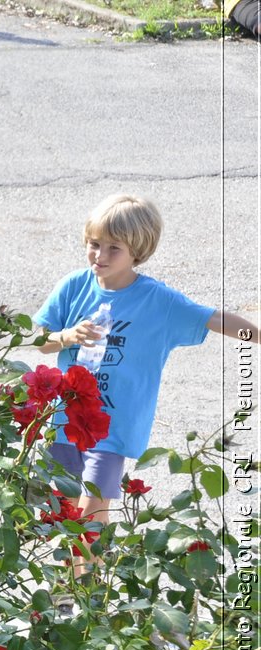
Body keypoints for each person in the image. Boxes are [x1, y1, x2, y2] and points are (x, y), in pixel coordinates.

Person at [34, 194, 258, 524]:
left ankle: (87, 578)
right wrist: (66, 337)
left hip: (112, 428)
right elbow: (39, 340)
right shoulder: (73, 286)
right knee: (66, 516)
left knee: (92, 515)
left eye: (114, 248)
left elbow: (213, 318)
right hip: (64, 423)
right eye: (95, 243)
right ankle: (77, 576)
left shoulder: (158, 301)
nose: (100, 255)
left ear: (138, 252)